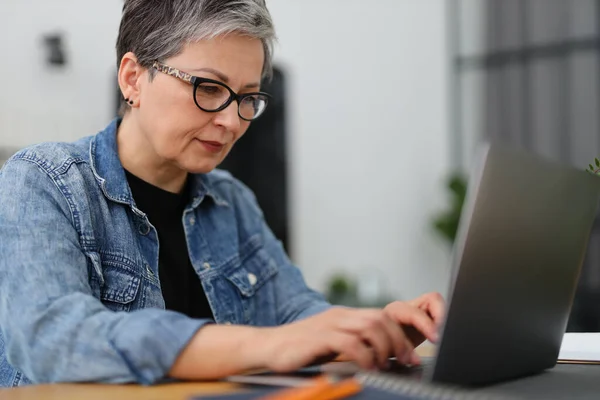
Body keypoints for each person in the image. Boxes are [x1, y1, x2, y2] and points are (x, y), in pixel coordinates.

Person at [0, 0, 445, 387]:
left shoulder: (232, 201)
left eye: (247, 97)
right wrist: (264, 345)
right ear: (133, 78)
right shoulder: (43, 181)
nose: (232, 122)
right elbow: (52, 339)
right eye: (208, 88)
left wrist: (375, 329)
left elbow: (295, 314)